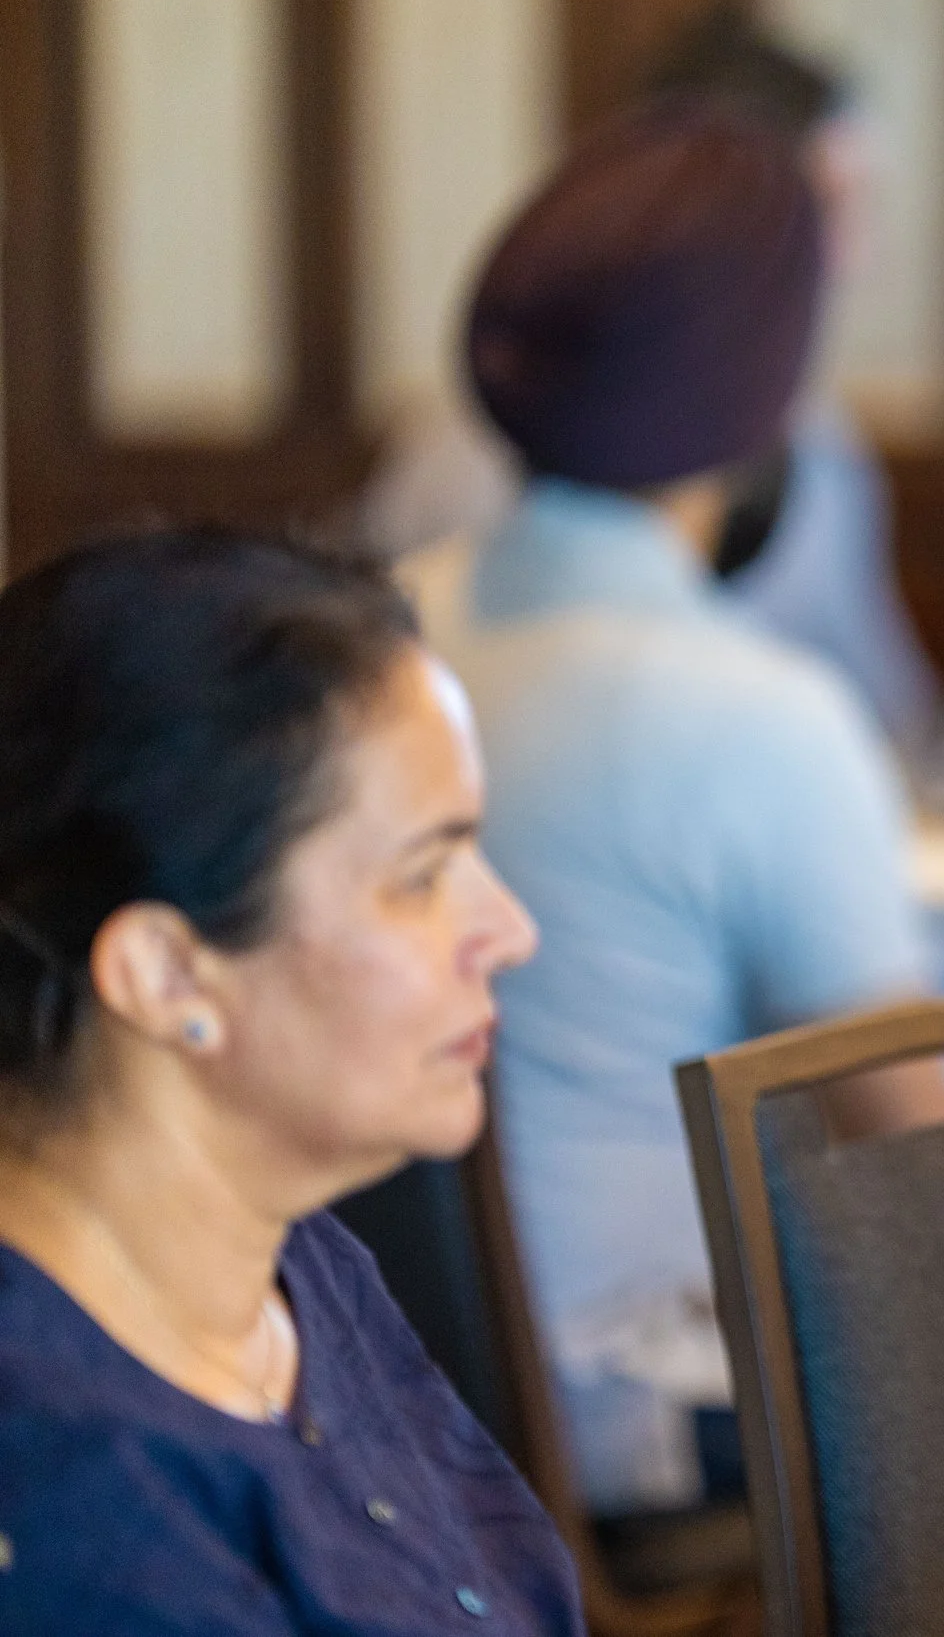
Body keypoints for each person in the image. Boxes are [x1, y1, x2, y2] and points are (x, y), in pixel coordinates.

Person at [442, 100, 944, 1517]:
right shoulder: (754, 714)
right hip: (632, 1427)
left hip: (389, 1383)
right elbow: (931, 1164)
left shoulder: (372, 642)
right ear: (762, 405)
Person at [0, 528, 569, 1632]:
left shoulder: (296, 1265)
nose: (509, 929)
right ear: (167, 973)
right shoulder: (66, 1490)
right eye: (423, 875)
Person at [379, 9, 943, 758]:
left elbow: (894, 716)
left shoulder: (824, 445)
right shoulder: (498, 427)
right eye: (828, 209)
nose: (855, 256)